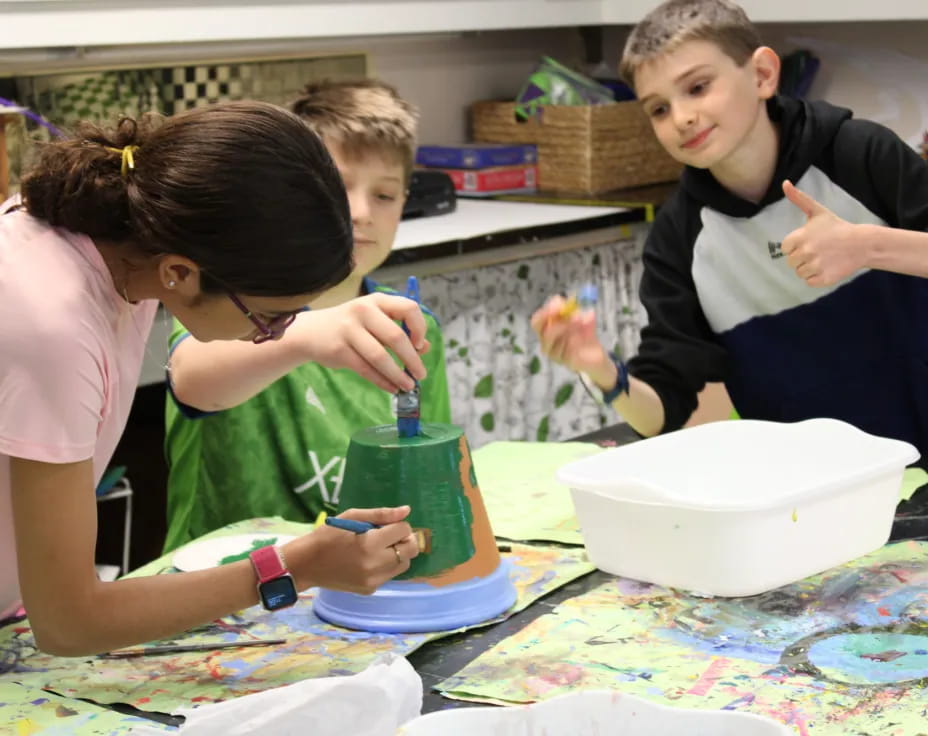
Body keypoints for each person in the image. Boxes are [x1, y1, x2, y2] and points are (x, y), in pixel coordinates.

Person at [1, 100, 427, 656]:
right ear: (180, 273)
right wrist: (294, 567)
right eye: (270, 319)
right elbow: (70, 623)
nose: (275, 336)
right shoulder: (50, 320)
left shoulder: (127, 244)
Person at [532, 0, 928, 463]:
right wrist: (600, 371)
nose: (681, 117)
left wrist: (868, 246)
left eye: (698, 87)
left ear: (762, 74)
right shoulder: (678, 240)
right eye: (659, 109)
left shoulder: (858, 155)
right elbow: (666, 414)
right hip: (811, 492)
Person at [163, 79, 451, 550]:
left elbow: (426, 468)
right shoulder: (230, 306)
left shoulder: (415, 330)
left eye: (384, 195)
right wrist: (307, 333)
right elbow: (193, 381)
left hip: (358, 584)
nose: (360, 212)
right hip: (225, 588)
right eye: (338, 187)